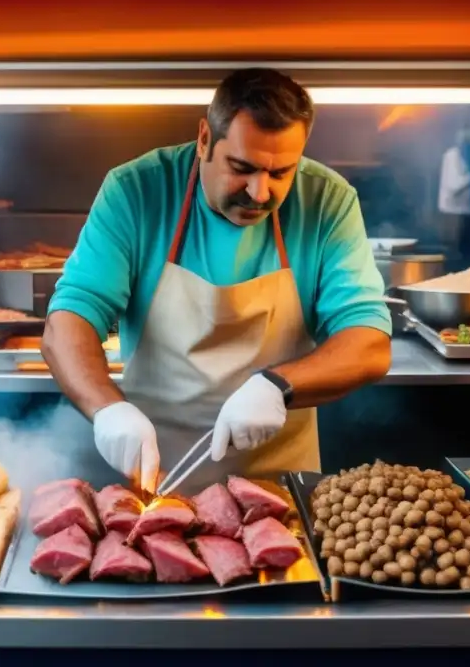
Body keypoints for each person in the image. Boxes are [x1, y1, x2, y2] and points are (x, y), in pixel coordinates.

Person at [43, 68, 393, 493]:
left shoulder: (328, 201)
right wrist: (107, 411)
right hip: (156, 476)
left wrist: (278, 386)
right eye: (241, 168)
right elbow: (70, 318)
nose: (260, 192)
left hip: (277, 485)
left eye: (281, 173)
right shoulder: (136, 191)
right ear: (205, 138)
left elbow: (369, 342)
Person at [437, 128, 470, 269]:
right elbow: (454, 186)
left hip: (468, 213)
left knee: (468, 257)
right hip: (453, 214)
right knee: (456, 257)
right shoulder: (453, 155)